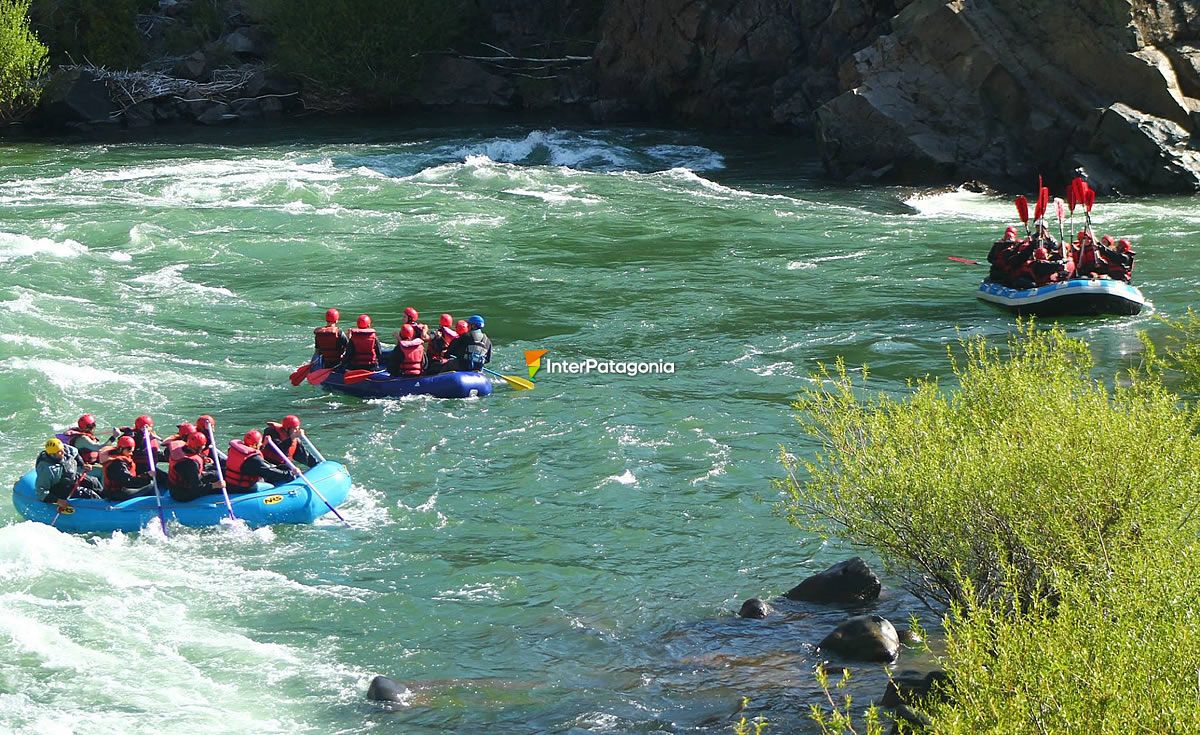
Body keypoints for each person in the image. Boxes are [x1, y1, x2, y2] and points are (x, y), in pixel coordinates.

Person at [225, 430, 294, 494]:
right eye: (260, 442)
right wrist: (290, 474)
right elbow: (271, 472)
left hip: (230, 484)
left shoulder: (233, 449)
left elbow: (251, 452)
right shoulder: (254, 459)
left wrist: (263, 445)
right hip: (244, 488)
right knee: (271, 486)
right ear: (255, 445)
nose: (261, 444)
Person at [35, 438, 101, 505]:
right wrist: (57, 500)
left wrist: (83, 465)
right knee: (89, 494)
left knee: (94, 481)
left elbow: (76, 454)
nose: (63, 452)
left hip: (72, 477)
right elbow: (41, 491)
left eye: (62, 449)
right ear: (52, 455)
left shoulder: (65, 449)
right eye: (59, 452)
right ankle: (102, 508)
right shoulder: (46, 469)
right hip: (60, 488)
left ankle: (107, 499)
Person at [168, 433, 225, 502]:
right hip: (181, 493)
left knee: (216, 472)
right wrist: (214, 485)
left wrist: (203, 459)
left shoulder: (181, 449)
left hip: (179, 484)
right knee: (217, 482)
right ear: (199, 447)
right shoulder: (191, 464)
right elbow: (196, 489)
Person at [101, 435, 156, 501]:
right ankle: (151, 502)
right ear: (121, 449)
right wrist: (147, 475)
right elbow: (128, 481)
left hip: (116, 489)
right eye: (129, 450)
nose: (131, 453)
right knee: (151, 484)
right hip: (116, 494)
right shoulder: (117, 464)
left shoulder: (115, 456)